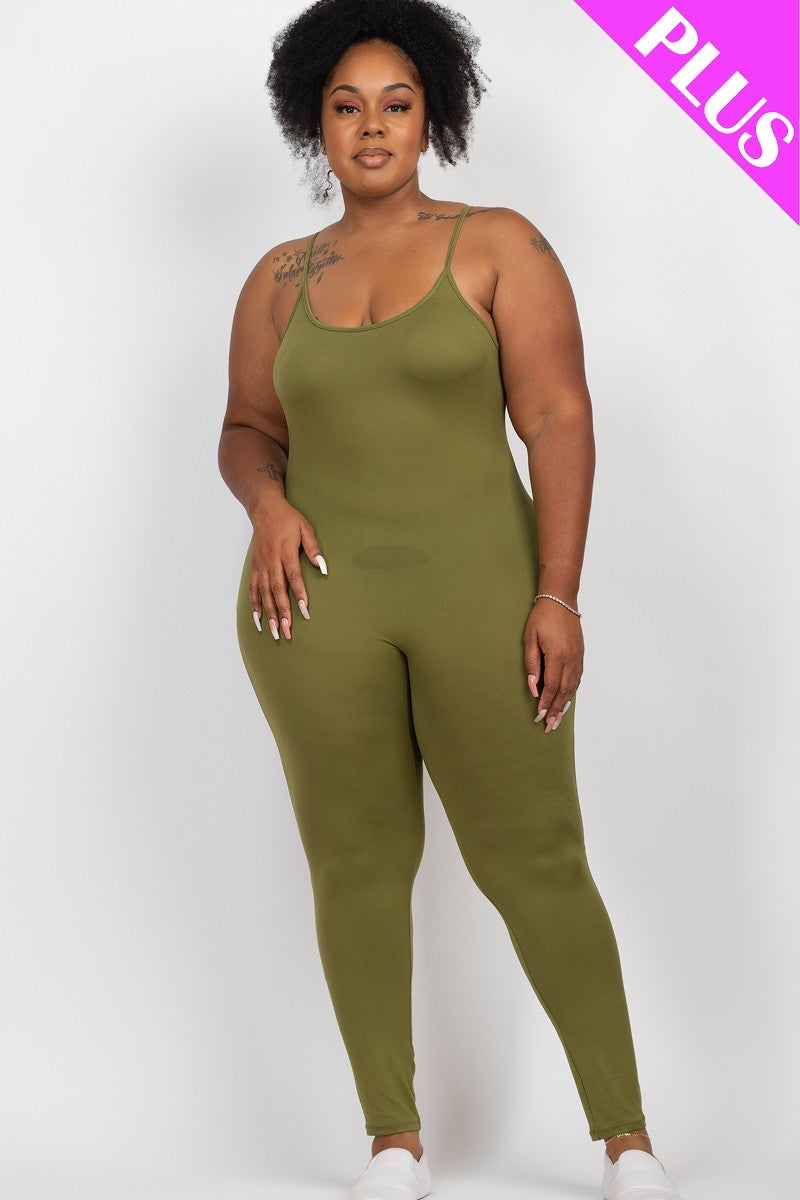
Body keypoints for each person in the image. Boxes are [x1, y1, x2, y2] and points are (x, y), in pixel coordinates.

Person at [218, 3, 683, 1199]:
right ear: (314, 121)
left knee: (533, 857)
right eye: (346, 105)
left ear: (432, 115)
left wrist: (557, 595)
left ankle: (624, 1137)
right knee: (355, 864)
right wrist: (266, 506)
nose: (371, 126)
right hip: (314, 609)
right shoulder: (277, 278)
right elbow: (247, 430)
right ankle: (392, 1141)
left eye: (396, 103)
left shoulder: (497, 245)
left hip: (482, 594)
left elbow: (558, 418)